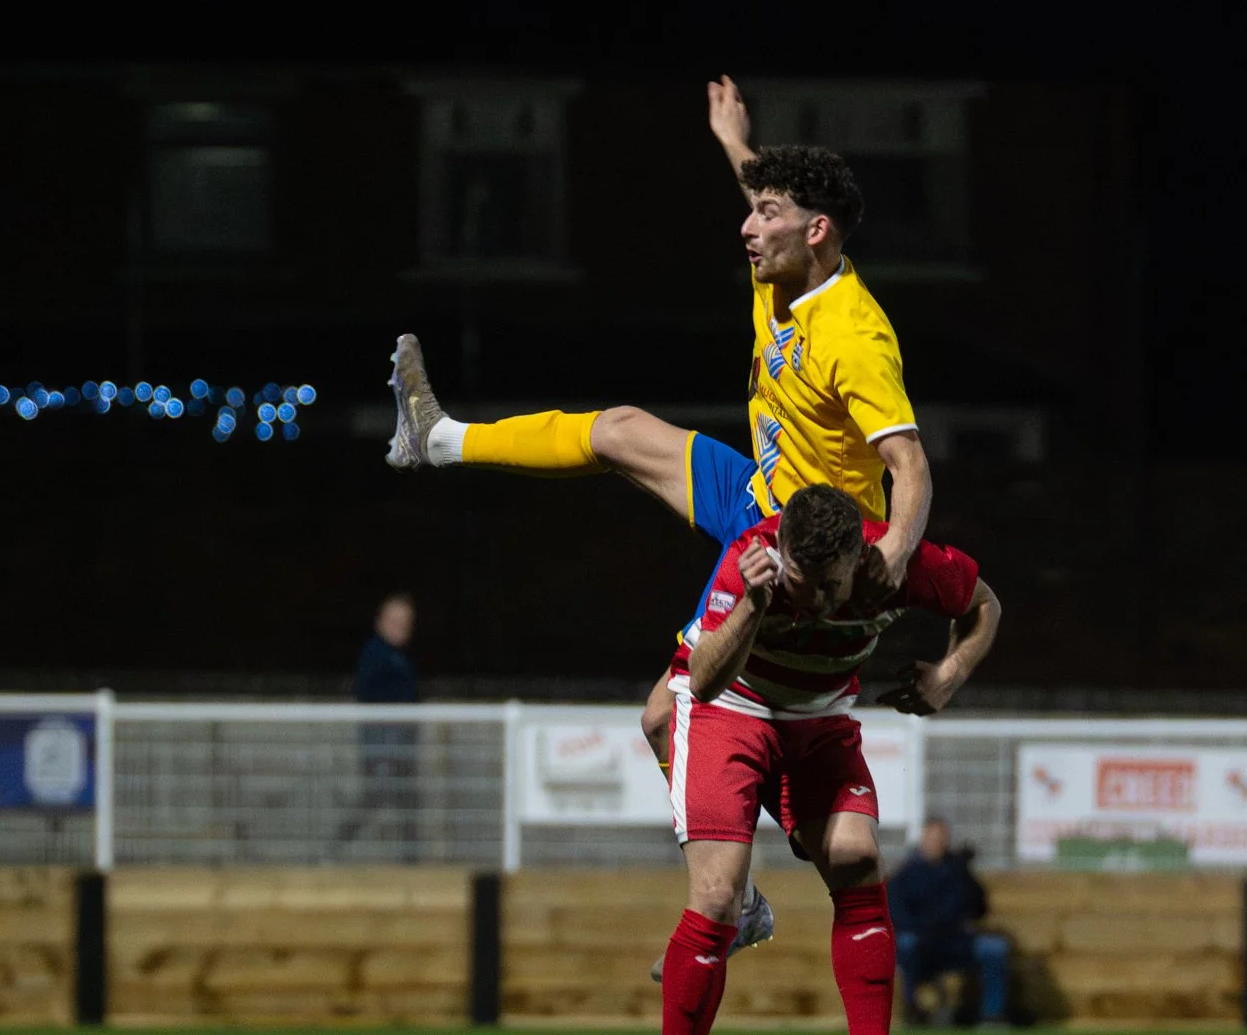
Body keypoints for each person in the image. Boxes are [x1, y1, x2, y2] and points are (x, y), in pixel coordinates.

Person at [386, 76, 934, 959]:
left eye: (764, 214)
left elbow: (910, 462)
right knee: (618, 430)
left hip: (800, 541)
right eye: (751, 209)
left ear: (814, 232)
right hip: (760, 490)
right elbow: (776, 193)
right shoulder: (788, 265)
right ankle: (439, 438)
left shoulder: (855, 338)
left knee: (657, 719)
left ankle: (741, 899)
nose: (747, 227)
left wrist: (896, 552)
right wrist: (735, 141)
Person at [635, 484, 999, 1035]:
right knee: (712, 896)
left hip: (819, 716)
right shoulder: (755, 560)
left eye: (823, 584)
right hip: (731, 710)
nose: (812, 596)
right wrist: (753, 605)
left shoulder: (899, 566)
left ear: (858, 558)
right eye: (797, 579)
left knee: (859, 857)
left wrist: (951, 672)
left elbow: (986, 604)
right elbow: (703, 680)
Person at [890, 817, 1009, 1028]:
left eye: (941, 838)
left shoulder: (958, 870)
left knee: (995, 949)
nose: (936, 843)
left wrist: (965, 872)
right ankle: (912, 1009)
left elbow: (979, 909)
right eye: (932, 837)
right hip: (922, 942)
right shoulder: (906, 874)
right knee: (905, 944)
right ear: (923, 839)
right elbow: (897, 914)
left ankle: (992, 1015)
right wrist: (924, 930)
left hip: (955, 941)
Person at [344, 593, 420, 855]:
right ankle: (336, 848)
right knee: (377, 795)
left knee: (407, 800)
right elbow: (365, 691)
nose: (401, 627)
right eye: (395, 621)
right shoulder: (376, 652)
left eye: (406, 622)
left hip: (401, 740)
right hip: (382, 739)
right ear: (381, 622)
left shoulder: (400, 656)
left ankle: (412, 862)